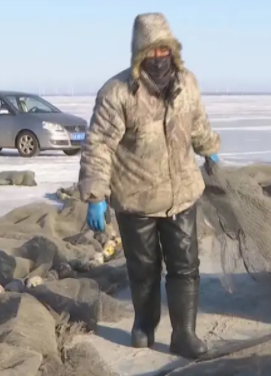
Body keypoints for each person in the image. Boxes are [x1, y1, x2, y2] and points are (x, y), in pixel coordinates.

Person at [77, 13, 220, 359]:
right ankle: (144, 324)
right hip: (136, 199)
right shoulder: (117, 92)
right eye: (151, 51)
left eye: (163, 50)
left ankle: (184, 334)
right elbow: (98, 144)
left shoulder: (187, 83)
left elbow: (198, 123)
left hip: (182, 194)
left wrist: (211, 152)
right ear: (139, 53)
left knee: (186, 267)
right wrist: (96, 195)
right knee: (143, 270)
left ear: (172, 50)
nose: (158, 57)